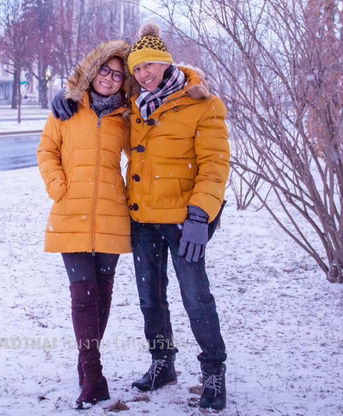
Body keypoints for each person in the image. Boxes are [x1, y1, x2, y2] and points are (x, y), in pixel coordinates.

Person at [52, 23, 230, 411]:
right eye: (138, 68)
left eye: (150, 65)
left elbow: (216, 164)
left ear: (166, 63)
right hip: (142, 218)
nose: (144, 73)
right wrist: (65, 95)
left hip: (185, 221)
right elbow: (91, 103)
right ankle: (163, 362)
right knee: (152, 300)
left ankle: (213, 372)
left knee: (196, 298)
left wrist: (201, 214)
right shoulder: (133, 106)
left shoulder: (202, 103)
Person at [38, 40, 132, 409]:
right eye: (105, 70)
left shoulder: (126, 117)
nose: (110, 78)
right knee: (83, 297)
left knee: (103, 296)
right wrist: (59, 187)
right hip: (70, 212)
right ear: (93, 71)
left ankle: (87, 366)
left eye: (118, 74)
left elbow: (141, 156)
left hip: (111, 212)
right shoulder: (68, 108)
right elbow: (47, 150)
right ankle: (93, 376)